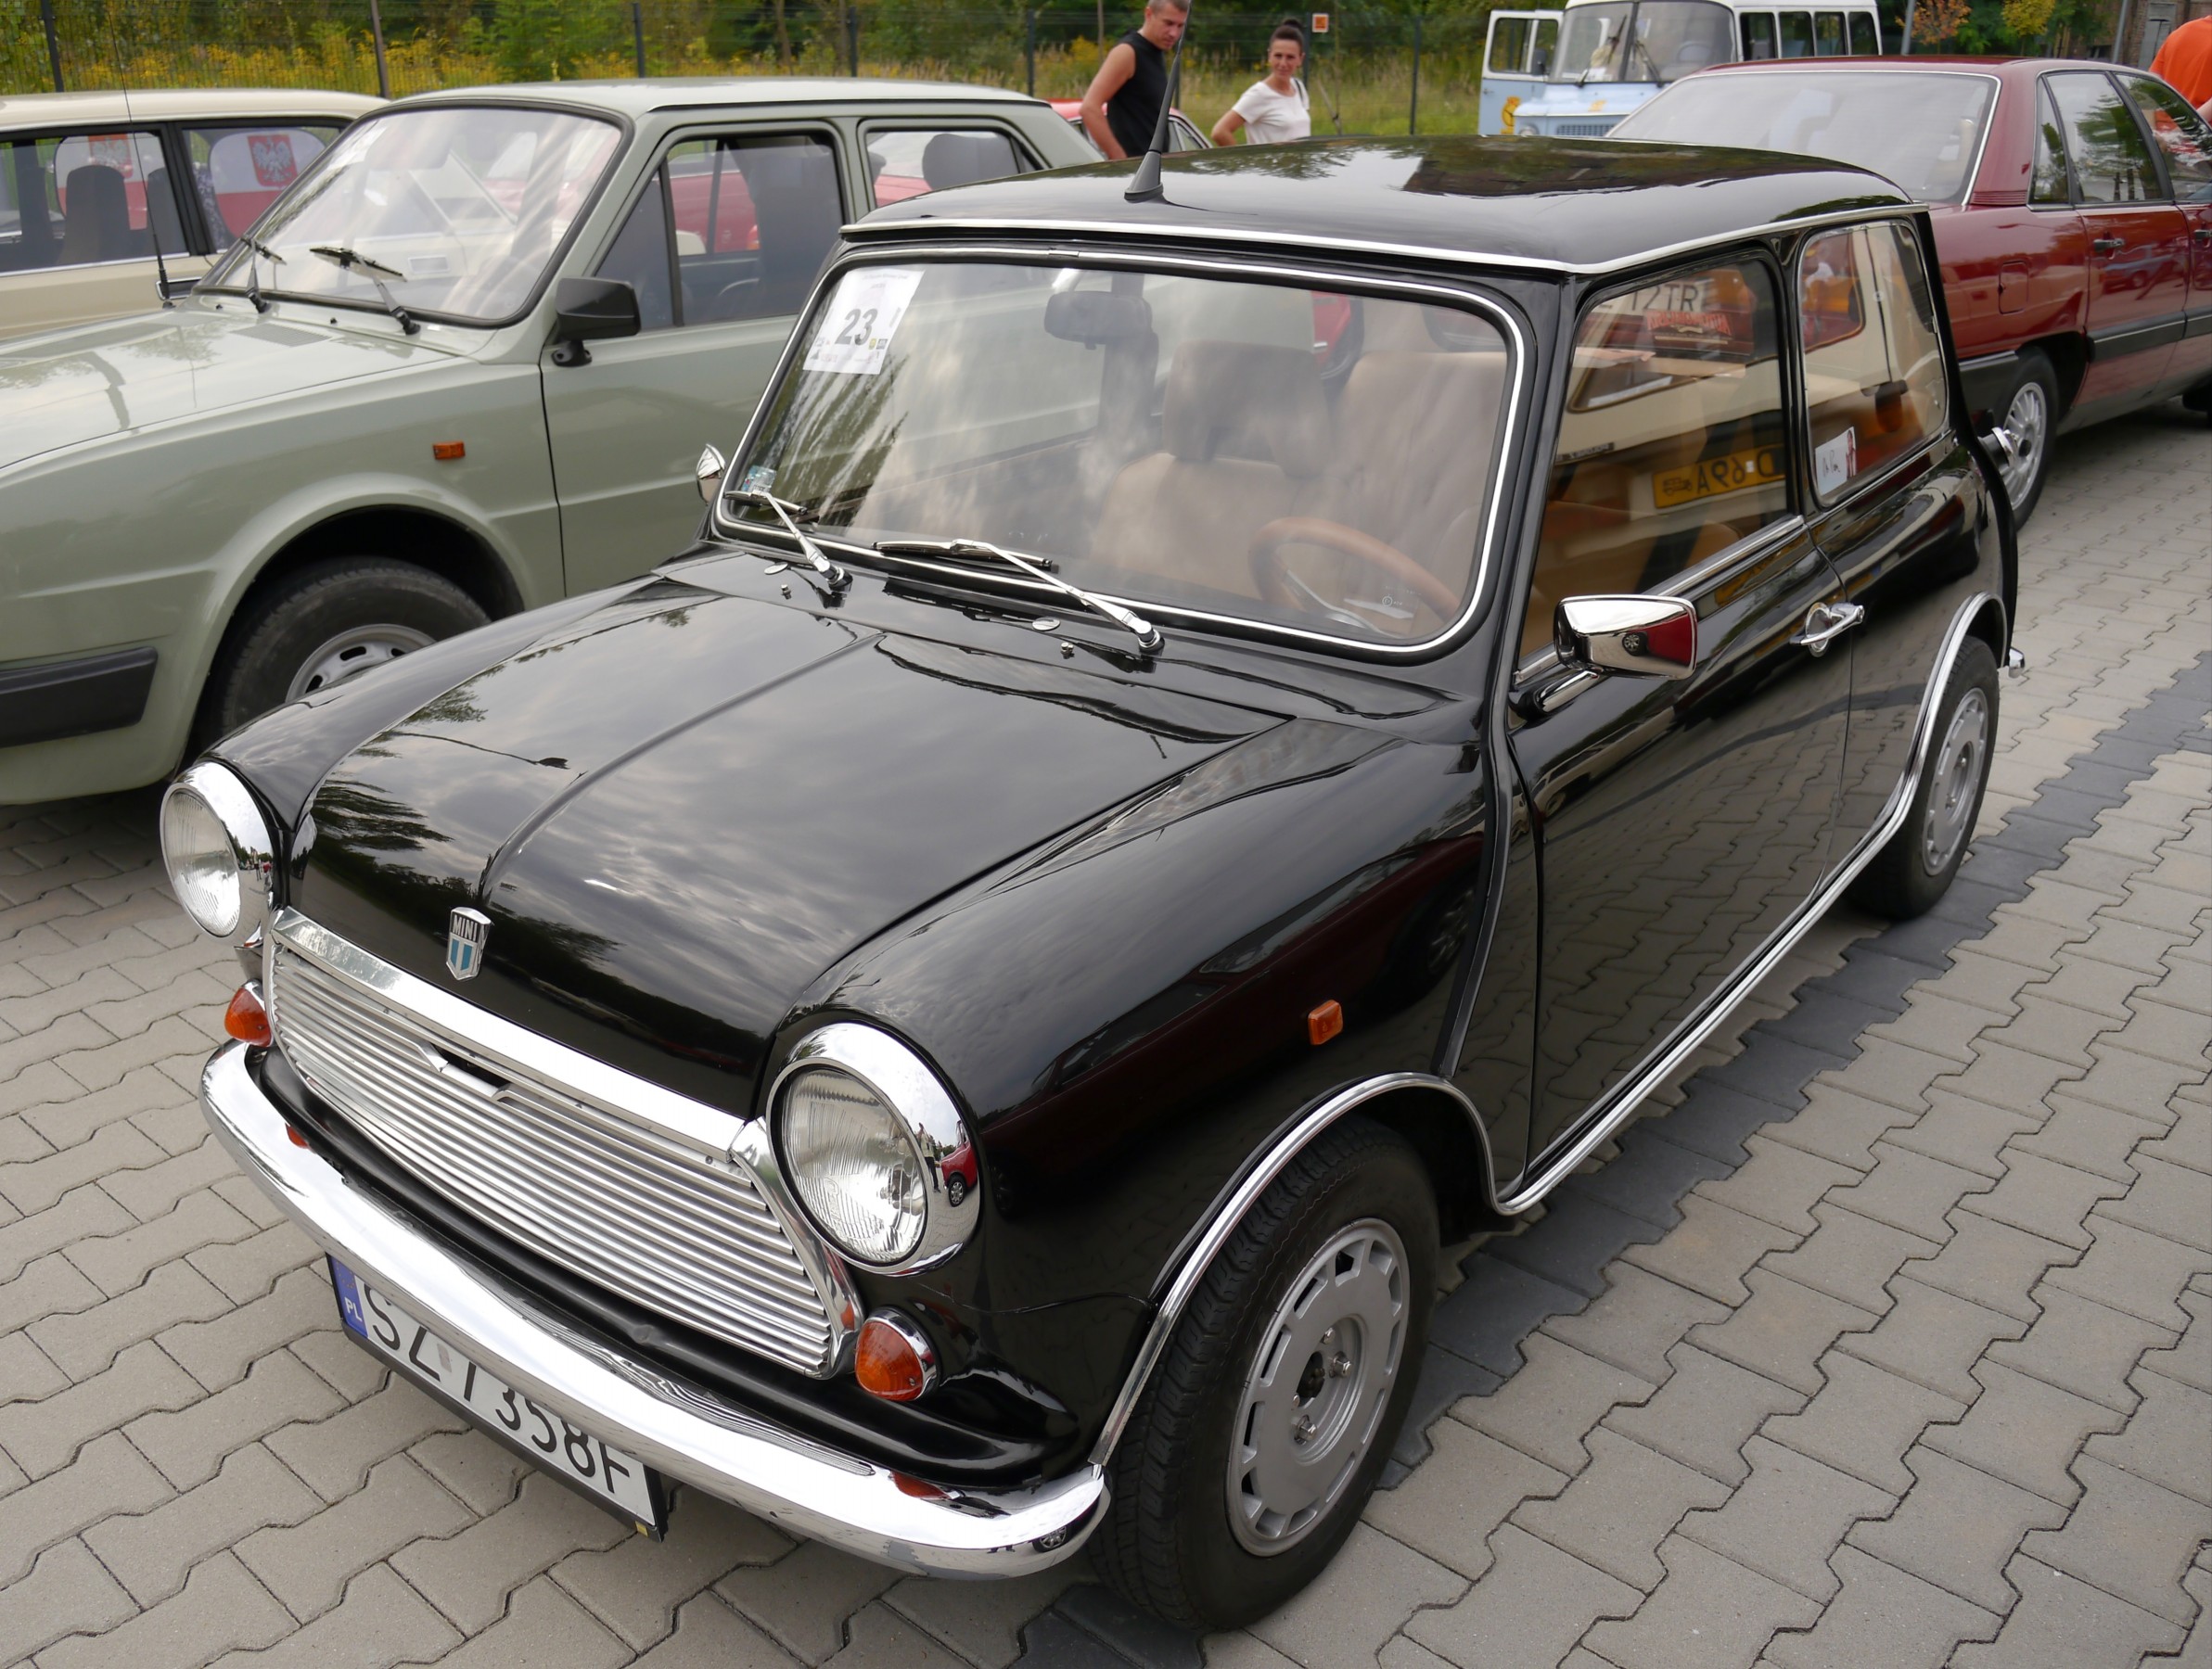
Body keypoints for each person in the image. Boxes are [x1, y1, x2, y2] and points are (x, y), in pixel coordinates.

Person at [1081, 0, 1190, 160]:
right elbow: (1089, 108)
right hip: (1133, 168)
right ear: (1149, 14)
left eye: (1180, 26)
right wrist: (1120, 159)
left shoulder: (1156, 52)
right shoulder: (1128, 52)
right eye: (1168, 23)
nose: (1174, 33)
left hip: (1153, 166)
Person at [1212, 19, 1313, 147]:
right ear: (1269, 56)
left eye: (1290, 57)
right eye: (1278, 56)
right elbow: (1220, 132)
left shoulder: (1298, 87)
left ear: (1300, 59)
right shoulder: (1259, 94)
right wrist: (1246, 158)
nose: (1283, 63)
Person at [2149, 14, 2212, 116]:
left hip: (2165, 121)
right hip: (2200, 124)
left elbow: (2153, 80)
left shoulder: (2181, 31)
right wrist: (2190, 122)